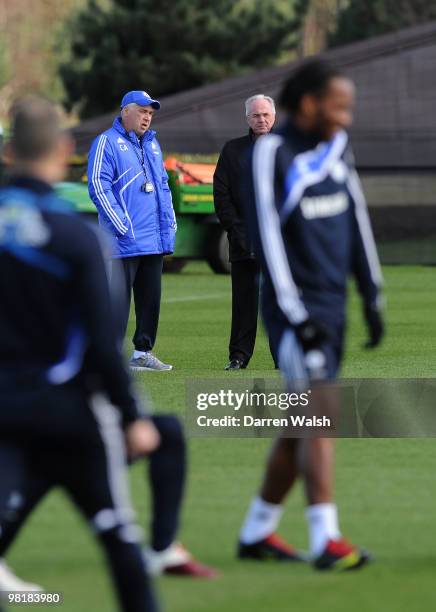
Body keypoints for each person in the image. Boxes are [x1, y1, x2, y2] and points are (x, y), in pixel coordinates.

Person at [0, 95, 160, 611]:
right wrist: (132, 414)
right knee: (118, 538)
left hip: (5, 411)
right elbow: (100, 338)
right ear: (65, 149)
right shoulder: (75, 235)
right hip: (68, 413)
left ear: (8, 152)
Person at [238, 59, 384, 570]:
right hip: (293, 308)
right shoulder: (273, 152)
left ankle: (257, 531)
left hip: (332, 304)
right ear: (308, 104)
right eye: (338, 106)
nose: (345, 116)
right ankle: (326, 538)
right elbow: (268, 239)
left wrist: (371, 292)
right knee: (321, 412)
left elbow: (356, 213)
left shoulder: (336, 147)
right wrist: (296, 315)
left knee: (301, 422)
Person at [88, 90, 176, 371]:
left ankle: (142, 353)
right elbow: (98, 186)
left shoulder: (152, 145)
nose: (147, 117)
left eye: (150, 113)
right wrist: (121, 225)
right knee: (117, 303)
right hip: (123, 240)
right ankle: (110, 356)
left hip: (153, 239)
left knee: (151, 301)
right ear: (126, 111)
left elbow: (162, 186)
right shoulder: (106, 142)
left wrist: (169, 223)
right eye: (142, 111)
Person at [214, 95, 276, 370]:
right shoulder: (232, 150)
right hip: (243, 239)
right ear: (247, 118)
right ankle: (238, 356)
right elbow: (221, 193)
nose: (261, 119)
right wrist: (236, 229)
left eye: (265, 114)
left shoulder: (288, 149)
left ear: (273, 116)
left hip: (280, 242)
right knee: (243, 302)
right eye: (255, 115)